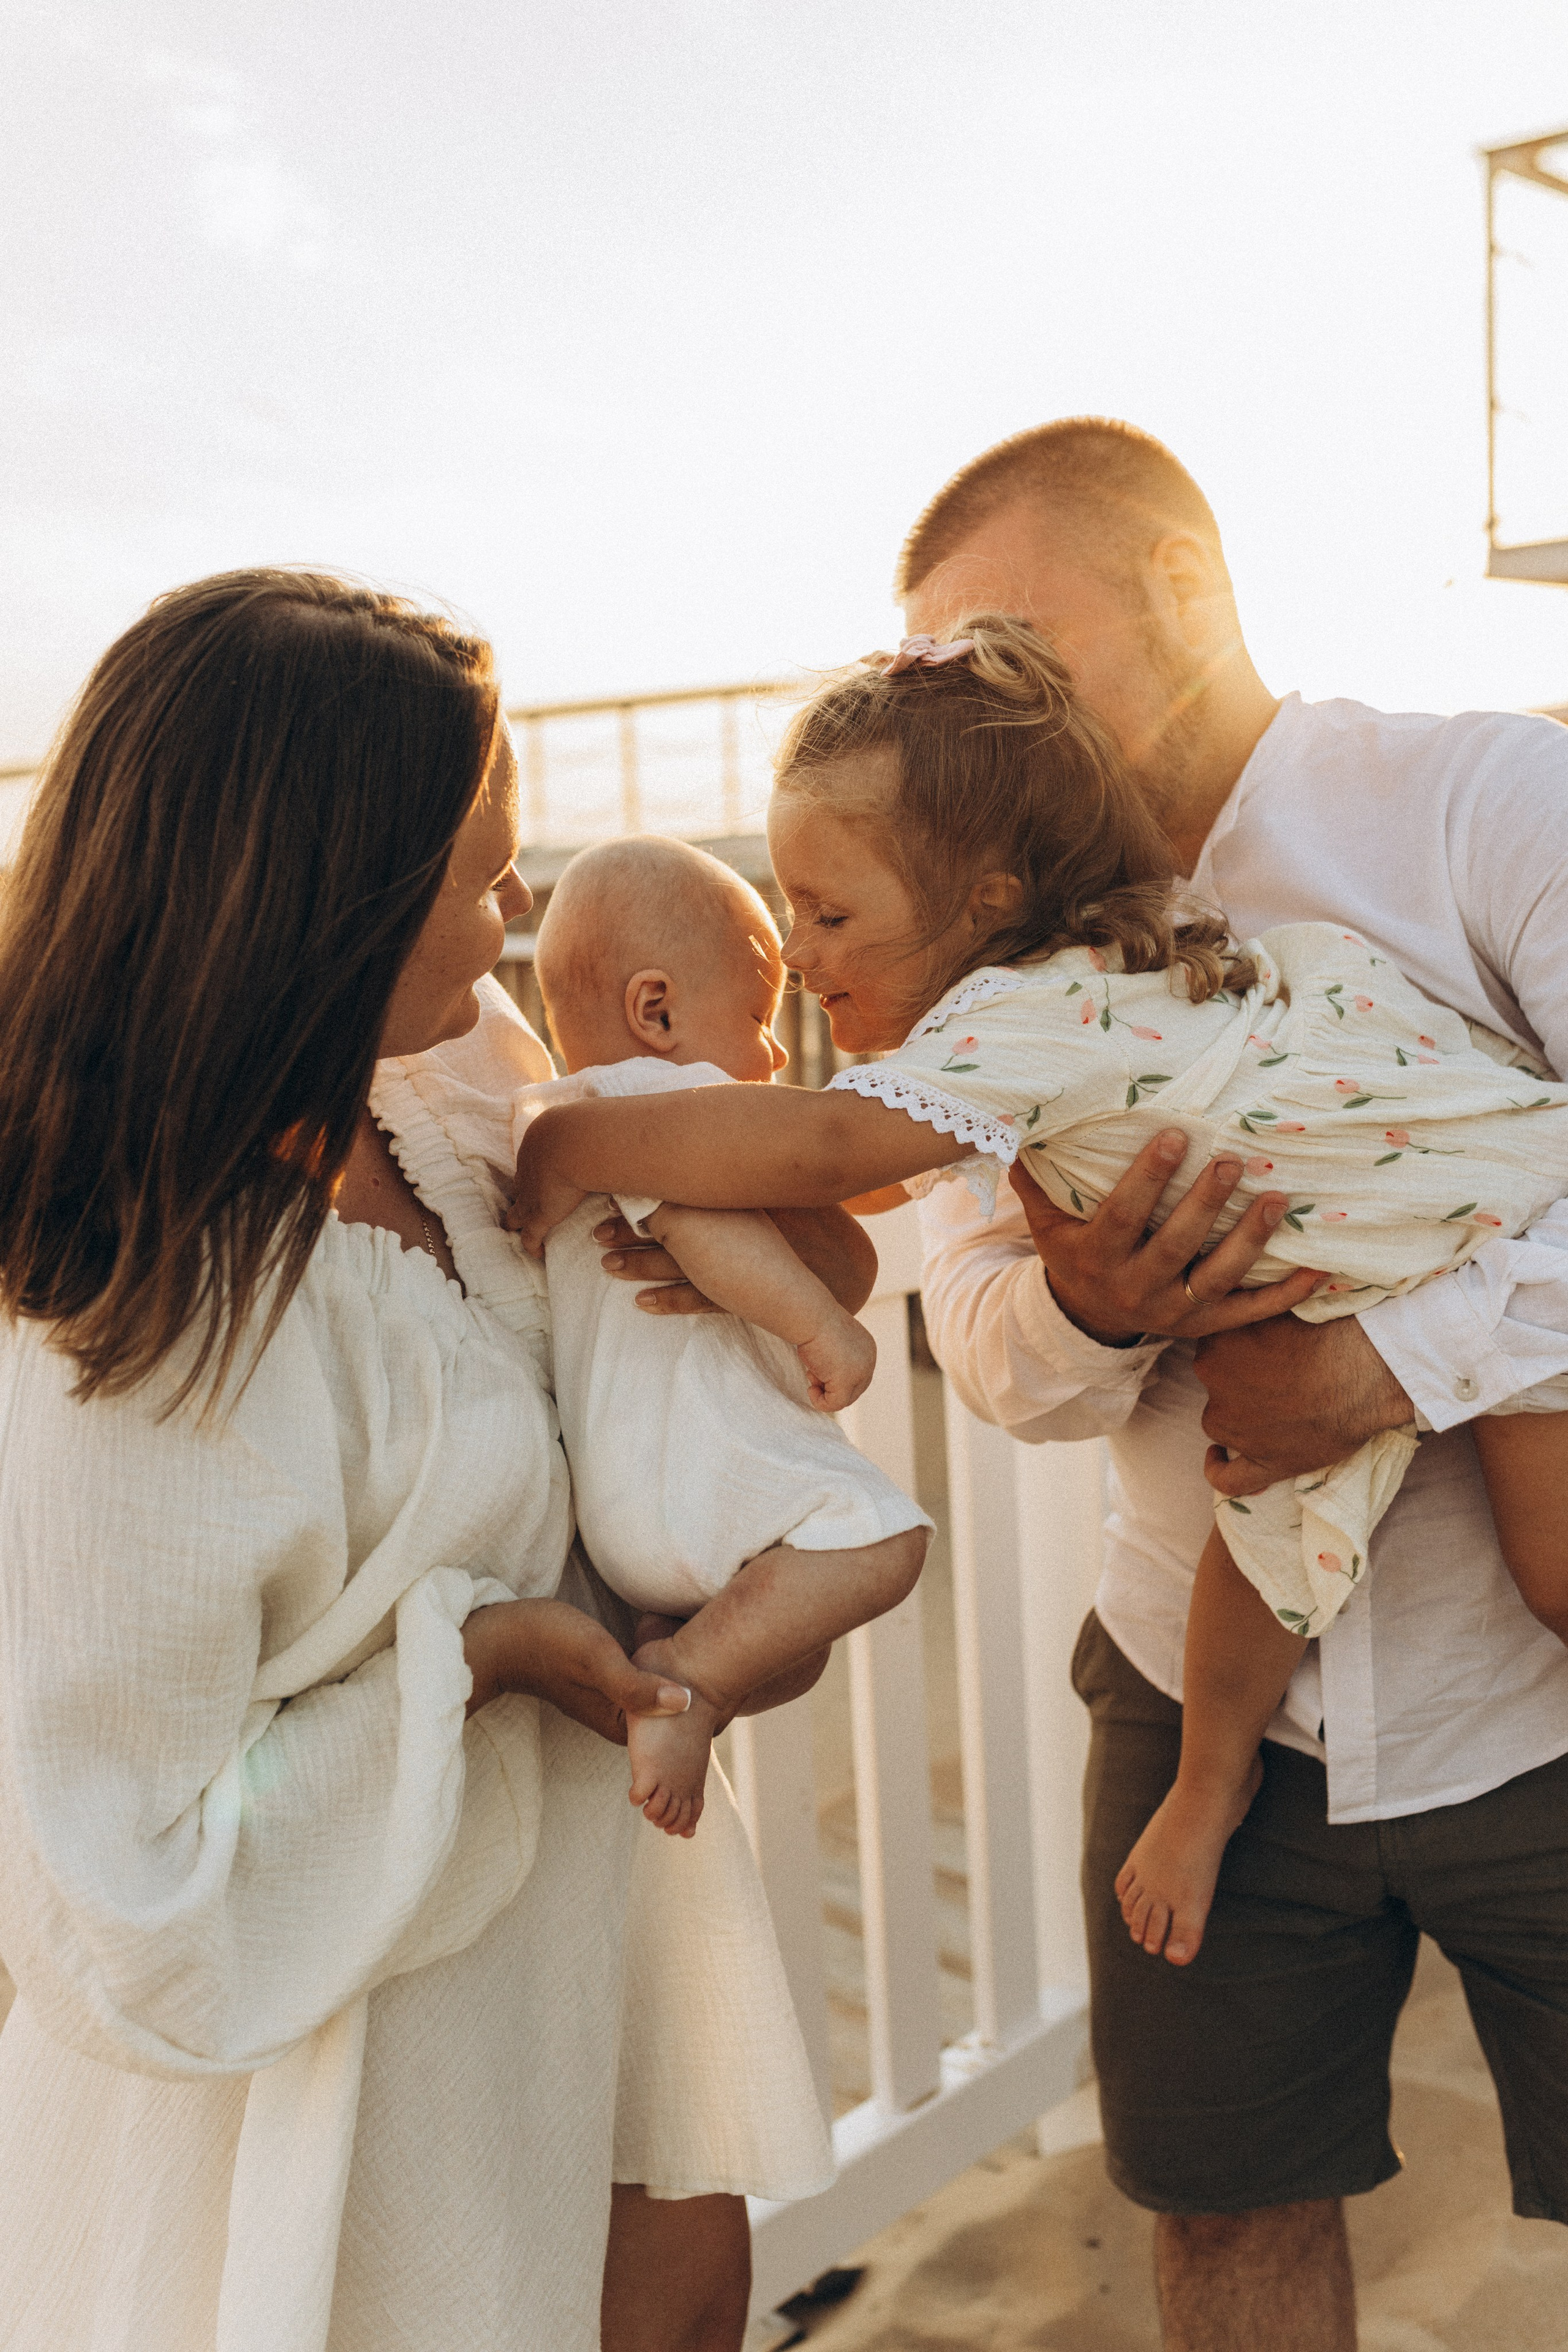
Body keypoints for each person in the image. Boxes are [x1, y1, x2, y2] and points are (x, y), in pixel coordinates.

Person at [0, 570, 838, 2352]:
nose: (517, 907)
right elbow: (124, 1891)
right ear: (330, 898)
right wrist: (489, 1657)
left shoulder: (452, 1097)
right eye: (480, 871)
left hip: (582, 1961)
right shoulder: (128, 1322)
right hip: (346, 2094)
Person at [505, 616, 1568, 1969]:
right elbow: (861, 1181)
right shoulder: (1062, 999)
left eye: (830, 915)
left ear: (984, 899)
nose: (803, 956)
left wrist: (577, 1139)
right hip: (1388, 1239)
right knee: (1261, 1504)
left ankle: (1209, 1785)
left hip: (1471, 1201)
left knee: (1551, 1579)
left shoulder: (1013, 1023)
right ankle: (1210, 1788)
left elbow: (828, 1147)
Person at [897, 421, 1568, 2351]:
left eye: (1018, 658)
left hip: (1535, 1690)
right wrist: (1087, 1307)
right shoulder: (987, 950)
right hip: (1194, 1710)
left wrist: (1382, 1369)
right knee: (1222, 2220)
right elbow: (985, 1346)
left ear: (1183, 588)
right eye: (950, 692)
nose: (988, 732)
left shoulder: (1483, 799)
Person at [510, 834, 929, 1838]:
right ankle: (687, 1680)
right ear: (655, 1012)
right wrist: (819, 1327)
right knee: (885, 1543)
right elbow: (705, 1228)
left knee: (794, 1645)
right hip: (693, 1487)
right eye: (757, 1018)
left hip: (644, 1518)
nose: (776, 1054)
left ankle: (677, 1663)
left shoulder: (567, 1115)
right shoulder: (642, 1105)